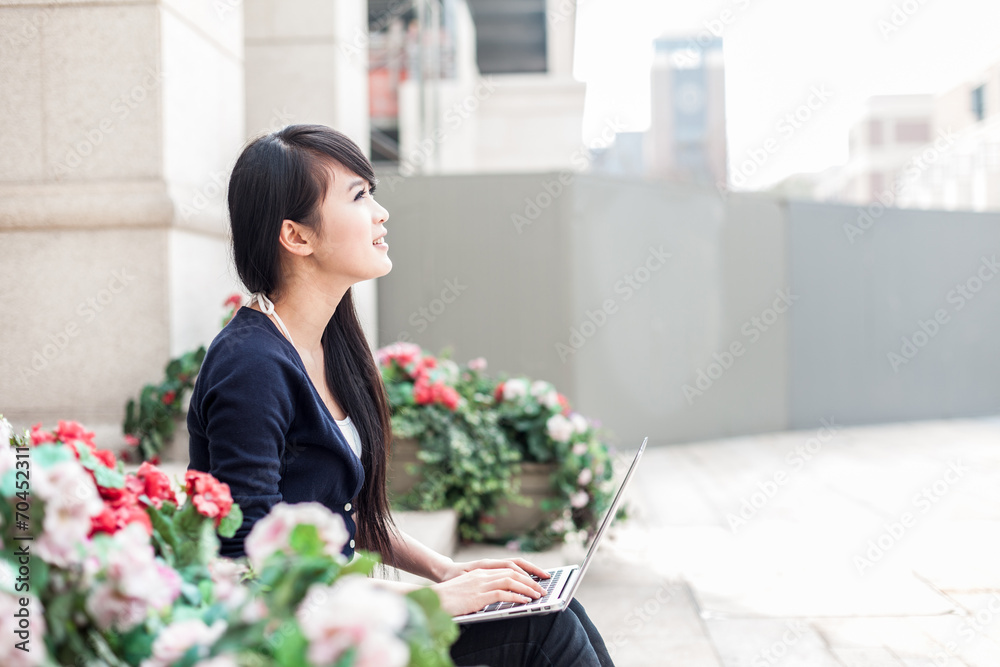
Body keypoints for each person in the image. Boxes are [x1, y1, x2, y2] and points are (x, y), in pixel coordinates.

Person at [186, 124, 615, 667]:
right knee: (544, 635)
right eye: (359, 196)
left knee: (556, 607)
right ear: (297, 236)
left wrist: (447, 570)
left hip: (351, 617)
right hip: (301, 642)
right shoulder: (251, 367)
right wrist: (430, 599)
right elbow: (254, 565)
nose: (380, 212)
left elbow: (334, 514)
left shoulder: (324, 343)